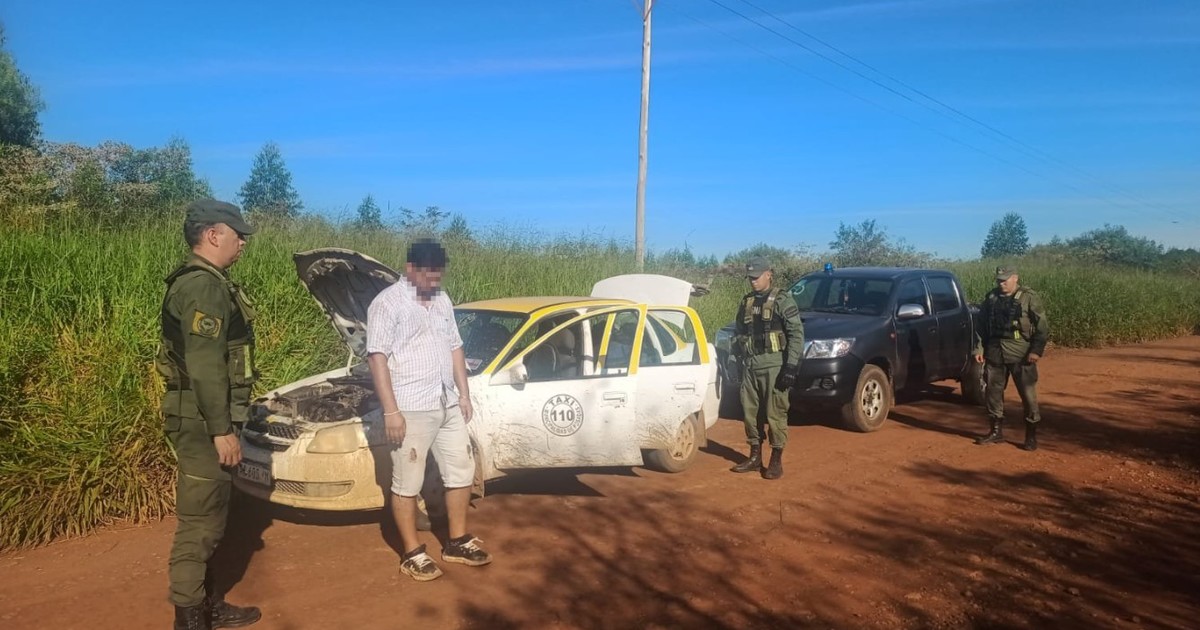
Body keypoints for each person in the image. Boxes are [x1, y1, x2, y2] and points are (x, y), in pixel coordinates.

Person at [156, 199, 262, 630]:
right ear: (213, 234)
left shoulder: (210, 283)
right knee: (200, 523)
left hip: (206, 419)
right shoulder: (203, 286)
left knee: (215, 515)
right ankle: (190, 619)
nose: (242, 244)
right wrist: (221, 430)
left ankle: (208, 603)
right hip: (203, 423)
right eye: (238, 235)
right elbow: (204, 365)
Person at [366, 238, 491, 582]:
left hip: (446, 401)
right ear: (410, 270)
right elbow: (377, 357)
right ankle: (412, 553)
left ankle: (457, 541)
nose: (434, 283)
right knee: (407, 481)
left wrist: (464, 394)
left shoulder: (441, 299)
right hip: (409, 406)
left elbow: (455, 346)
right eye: (429, 276)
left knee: (461, 471)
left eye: (439, 276)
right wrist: (391, 411)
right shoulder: (387, 304)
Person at [730, 256, 805, 479]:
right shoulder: (747, 302)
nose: (753, 281)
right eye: (750, 277)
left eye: (756, 277)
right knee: (749, 414)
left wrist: (790, 366)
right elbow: (739, 334)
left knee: (775, 414)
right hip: (751, 365)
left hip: (774, 365)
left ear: (768, 274)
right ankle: (754, 456)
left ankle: (775, 460)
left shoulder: (783, 300)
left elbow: (796, 335)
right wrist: (735, 361)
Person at [972, 266, 1049, 451]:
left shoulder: (1028, 297)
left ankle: (1031, 435)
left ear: (1015, 278)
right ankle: (995, 432)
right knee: (993, 392)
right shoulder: (991, 297)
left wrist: (1036, 350)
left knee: (1027, 394)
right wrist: (979, 348)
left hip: (1020, 352)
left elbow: (1042, 326)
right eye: (999, 279)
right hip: (995, 351)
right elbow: (981, 325)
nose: (1002, 283)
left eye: (1005, 279)